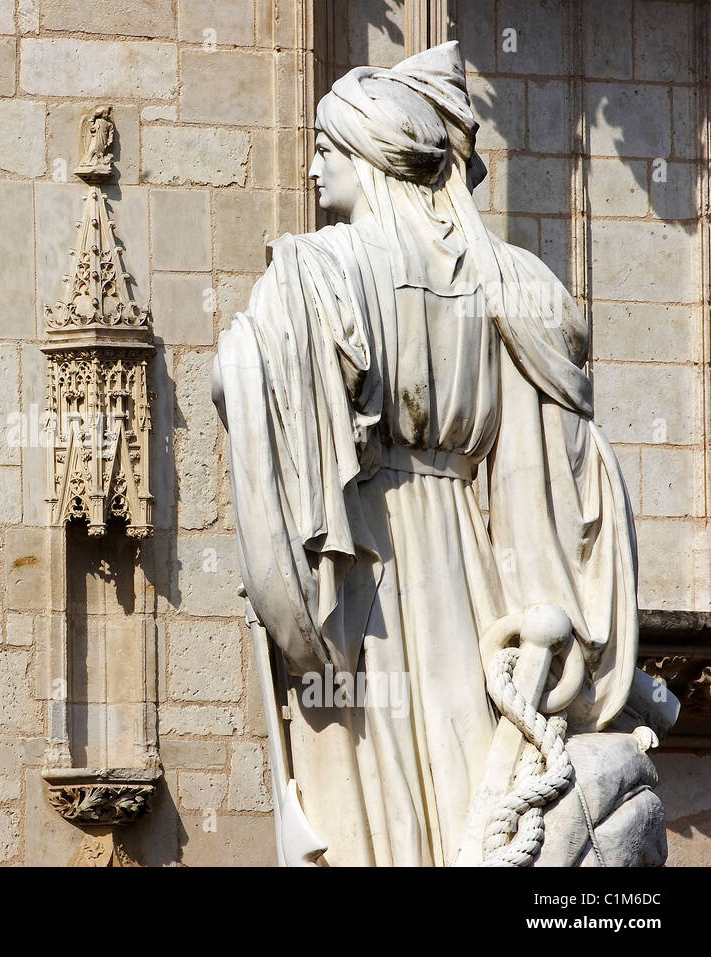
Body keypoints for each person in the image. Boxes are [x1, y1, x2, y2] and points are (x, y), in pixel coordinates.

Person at [212, 42, 646, 866]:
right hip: (476, 577)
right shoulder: (510, 285)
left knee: (375, 822)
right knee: (472, 788)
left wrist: (234, 364)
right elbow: (554, 470)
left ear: (371, 158)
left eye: (326, 148)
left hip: (363, 579)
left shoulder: (315, 273)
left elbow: (247, 389)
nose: (310, 168)